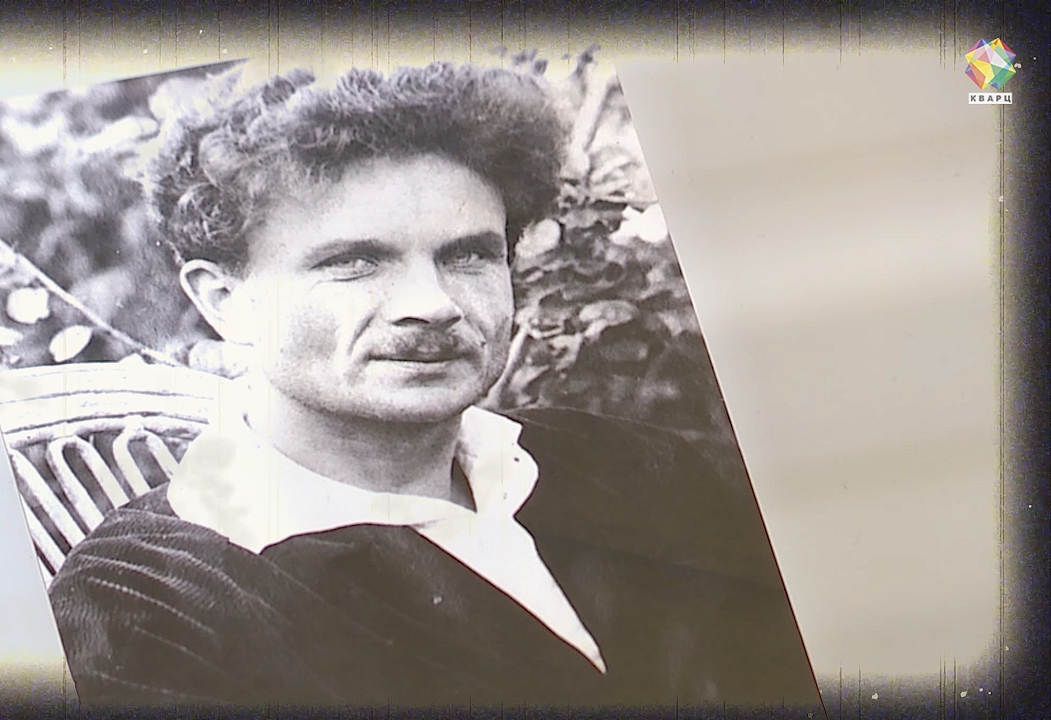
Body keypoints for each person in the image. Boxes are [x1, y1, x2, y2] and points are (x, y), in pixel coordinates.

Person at [46, 62, 823, 713]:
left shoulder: (625, 464)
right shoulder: (145, 607)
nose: (434, 304)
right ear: (225, 301)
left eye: (468, 255)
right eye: (354, 261)